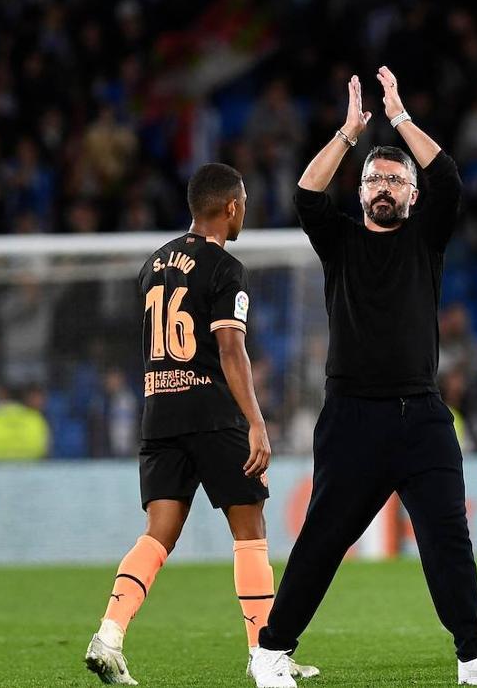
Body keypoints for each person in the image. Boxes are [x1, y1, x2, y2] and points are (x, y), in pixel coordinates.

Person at [248, 69, 477, 688]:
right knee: (324, 539)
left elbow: (449, 176)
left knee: (447, 536)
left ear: (412, 196)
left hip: (423, 416)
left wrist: (399, 117)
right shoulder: (340, 241)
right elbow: (304, 194)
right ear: (362, 191)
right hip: (352, 416)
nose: (384, 187)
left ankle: (474, 656)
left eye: (396, 180)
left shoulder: (427, 239)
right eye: (375, 179)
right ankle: (270, 652)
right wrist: (350, 133)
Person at [84, 163, 318, 684]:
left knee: (158, 534)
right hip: (211, 412)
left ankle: (109, 635)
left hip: (158, 413)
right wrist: (256, 421)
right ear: (230, 206)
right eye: (245, 203)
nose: (245, 213)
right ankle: (266, 654)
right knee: (250, 528)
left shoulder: (152, 263)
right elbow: (231, 350)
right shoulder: (224, 267)